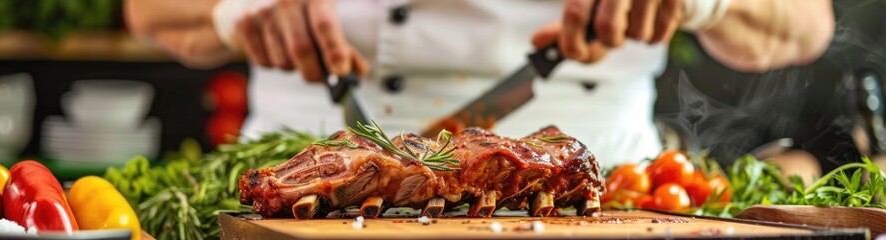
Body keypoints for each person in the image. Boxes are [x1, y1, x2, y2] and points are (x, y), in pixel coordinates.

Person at [126, 0, 834, 165]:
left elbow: (805, 24)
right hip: (300, 167)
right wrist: (237, 11)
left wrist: (700, 1)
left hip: (609, 184)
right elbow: (146, 11)